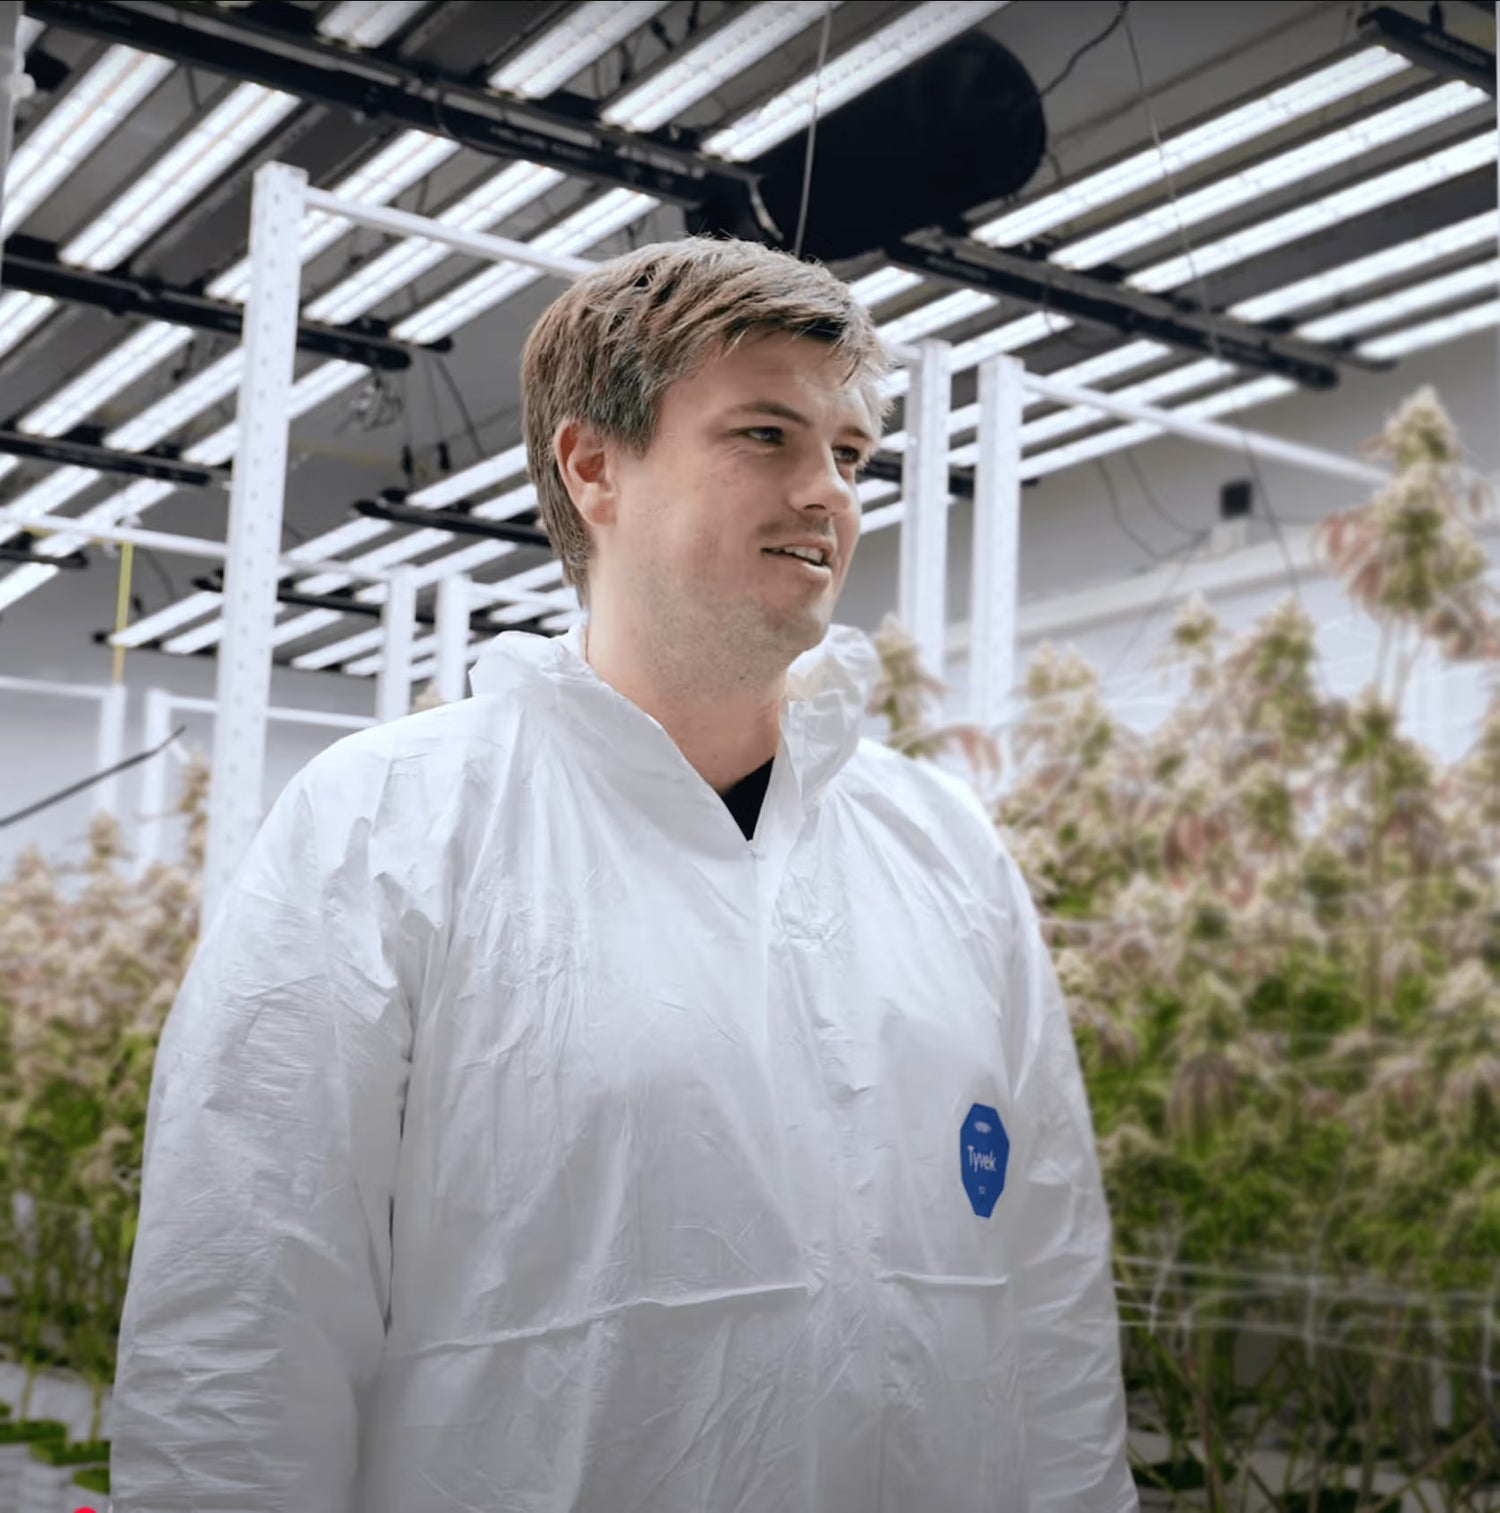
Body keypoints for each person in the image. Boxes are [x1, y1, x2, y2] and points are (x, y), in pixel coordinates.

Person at [110, 237, 1138, 1512]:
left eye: (852, 454)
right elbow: (239, 1335)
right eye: (766, 434)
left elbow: (1051, 1297)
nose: (828, 492)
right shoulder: (385, 829)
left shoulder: (944, 848)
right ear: (594, 464)